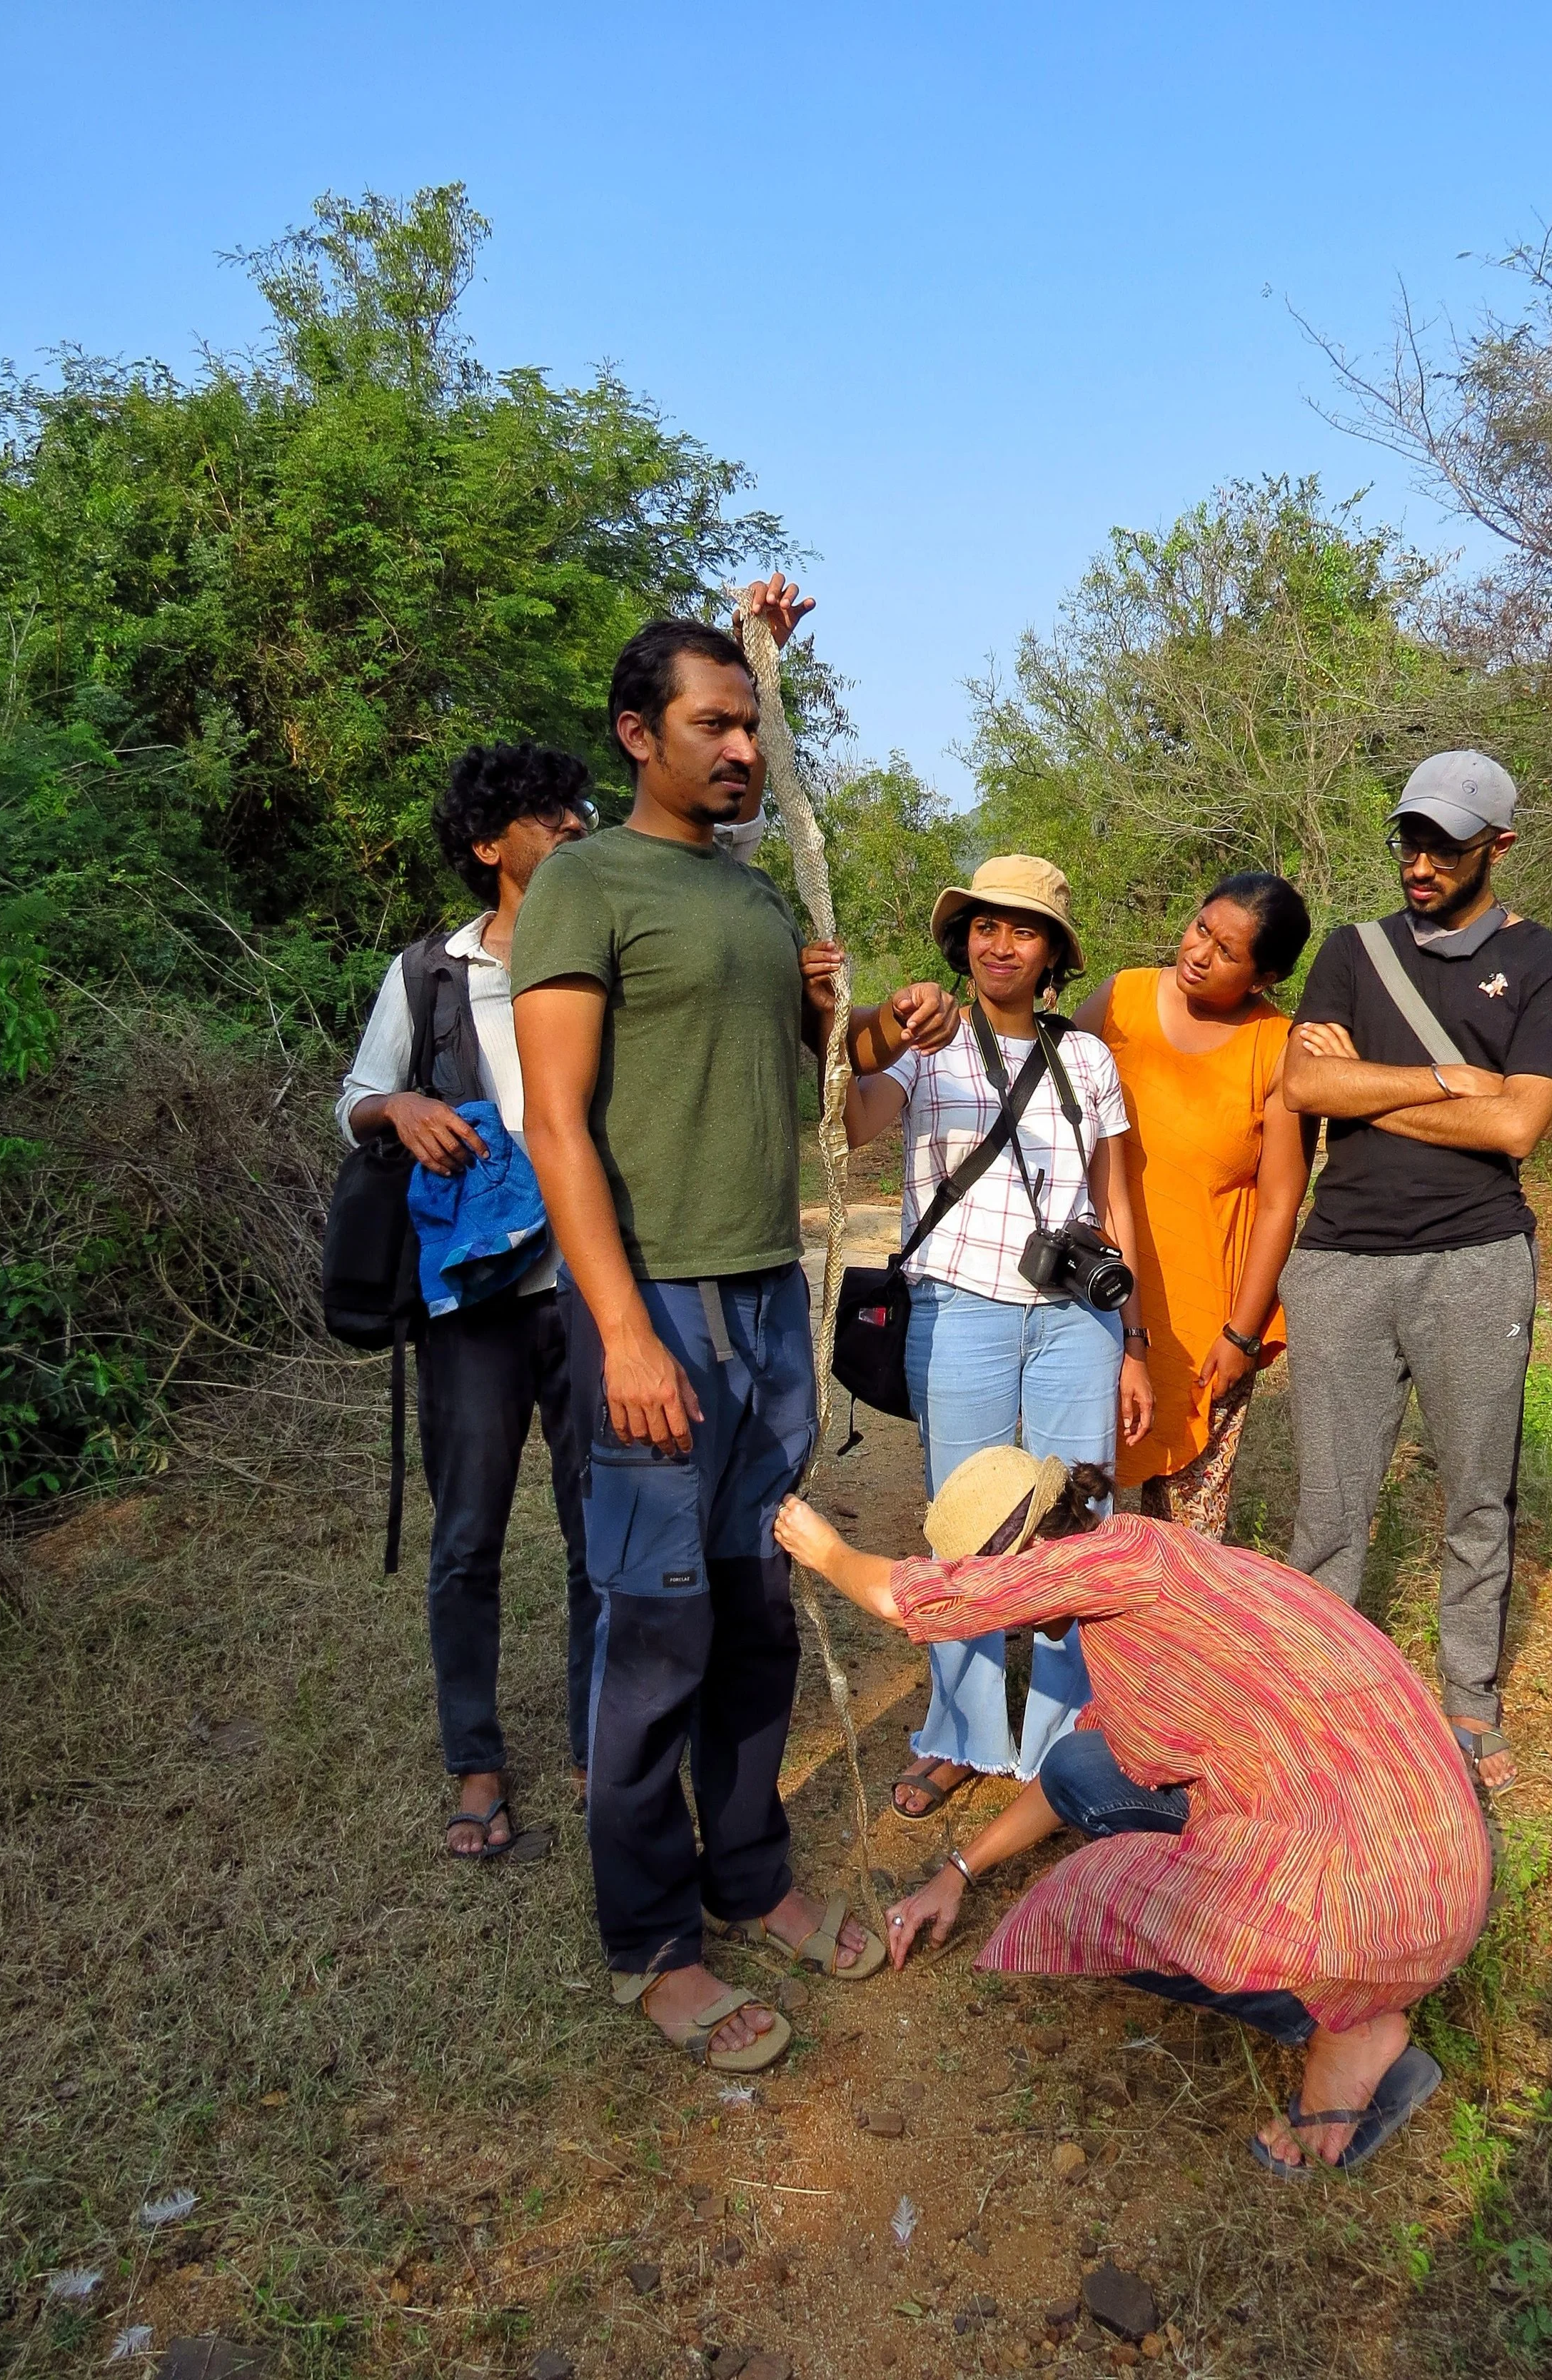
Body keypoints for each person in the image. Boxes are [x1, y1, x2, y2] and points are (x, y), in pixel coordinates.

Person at [513, 583, 966, 2073]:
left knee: (753, 1612)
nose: (740, 748)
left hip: (768, 1294)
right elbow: (555, 1125)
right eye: (709, 723)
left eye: (749, 723)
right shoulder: (586, 885)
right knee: (655, 1630)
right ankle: (651, 1940)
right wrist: (623, 1333)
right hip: (650, 1303)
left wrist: (880, 1025)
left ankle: (749, 1871)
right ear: (637, 737)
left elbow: (805, 1075)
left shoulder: (752, 896)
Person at [773, 1447, 1491, 2174]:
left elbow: (907, 1599)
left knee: (1095, 1905)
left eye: (1013, 1611)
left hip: (1388, 1891)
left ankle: (1345, 2030)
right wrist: (957, 1872)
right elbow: (1080, 1768)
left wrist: (825, 1551)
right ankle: (1342, 1997)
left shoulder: (1105, 1574)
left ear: (1026, 1568)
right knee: (1081, 1765)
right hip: (1429, 1839)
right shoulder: (1144, 1561)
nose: (1018, 1629)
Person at [1281, 751, 1552, 1794]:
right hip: (1341, 1263)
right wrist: (1445, 1080)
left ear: (1498, 847)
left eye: (1446, 846)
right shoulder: (1351, 951)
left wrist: (1359, 1089)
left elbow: (1518, 1122)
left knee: (1476, 1493)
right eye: (1410, 839)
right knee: (1329, 1501)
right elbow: (1297, 1085)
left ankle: (1469, 1701)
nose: (1420, 862)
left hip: (1476, 1258)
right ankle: (1311, 1694)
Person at [838, 855, 1153, 1823]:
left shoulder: (1088, 1059)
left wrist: (1132, 1334)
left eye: (1022, 928)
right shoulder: (924, 1042)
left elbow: (1116, 1200)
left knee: (1076, 1528)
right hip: (959, 1310)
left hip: (1076, 1323)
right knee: (964, 1524)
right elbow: (855, 1121)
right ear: (962, 938)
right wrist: (879, 1025)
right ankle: (961, 1731)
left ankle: (1065, 1737)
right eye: (984, 925)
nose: (999, 942)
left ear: (1053, 949)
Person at [338, 740, 596, 1859]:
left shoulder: (601, 957)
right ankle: (477, 1761)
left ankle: (600, 1745)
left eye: (579, 806)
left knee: (606, 1530)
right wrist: (399, 1111)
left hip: (591, 1294)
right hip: (472, 1309)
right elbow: (351, 1098)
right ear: (491, 845)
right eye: (547, 813)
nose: (577, 823)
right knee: (469, 1536)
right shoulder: (428, 975)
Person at [1072, 874, 1313, 1537]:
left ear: (1263, 976)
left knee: (1186, 1535)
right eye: (1201, 927)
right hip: (1098, 1301)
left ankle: (1171, 1642)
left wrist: (1241, 1332)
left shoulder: (1276, 1046)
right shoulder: (1121, 999)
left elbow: (1279, 1200)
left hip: (1207, 1319)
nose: (1199, 952)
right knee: (1078, 1490)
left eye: (1226, 951)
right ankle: (1070, 1633)